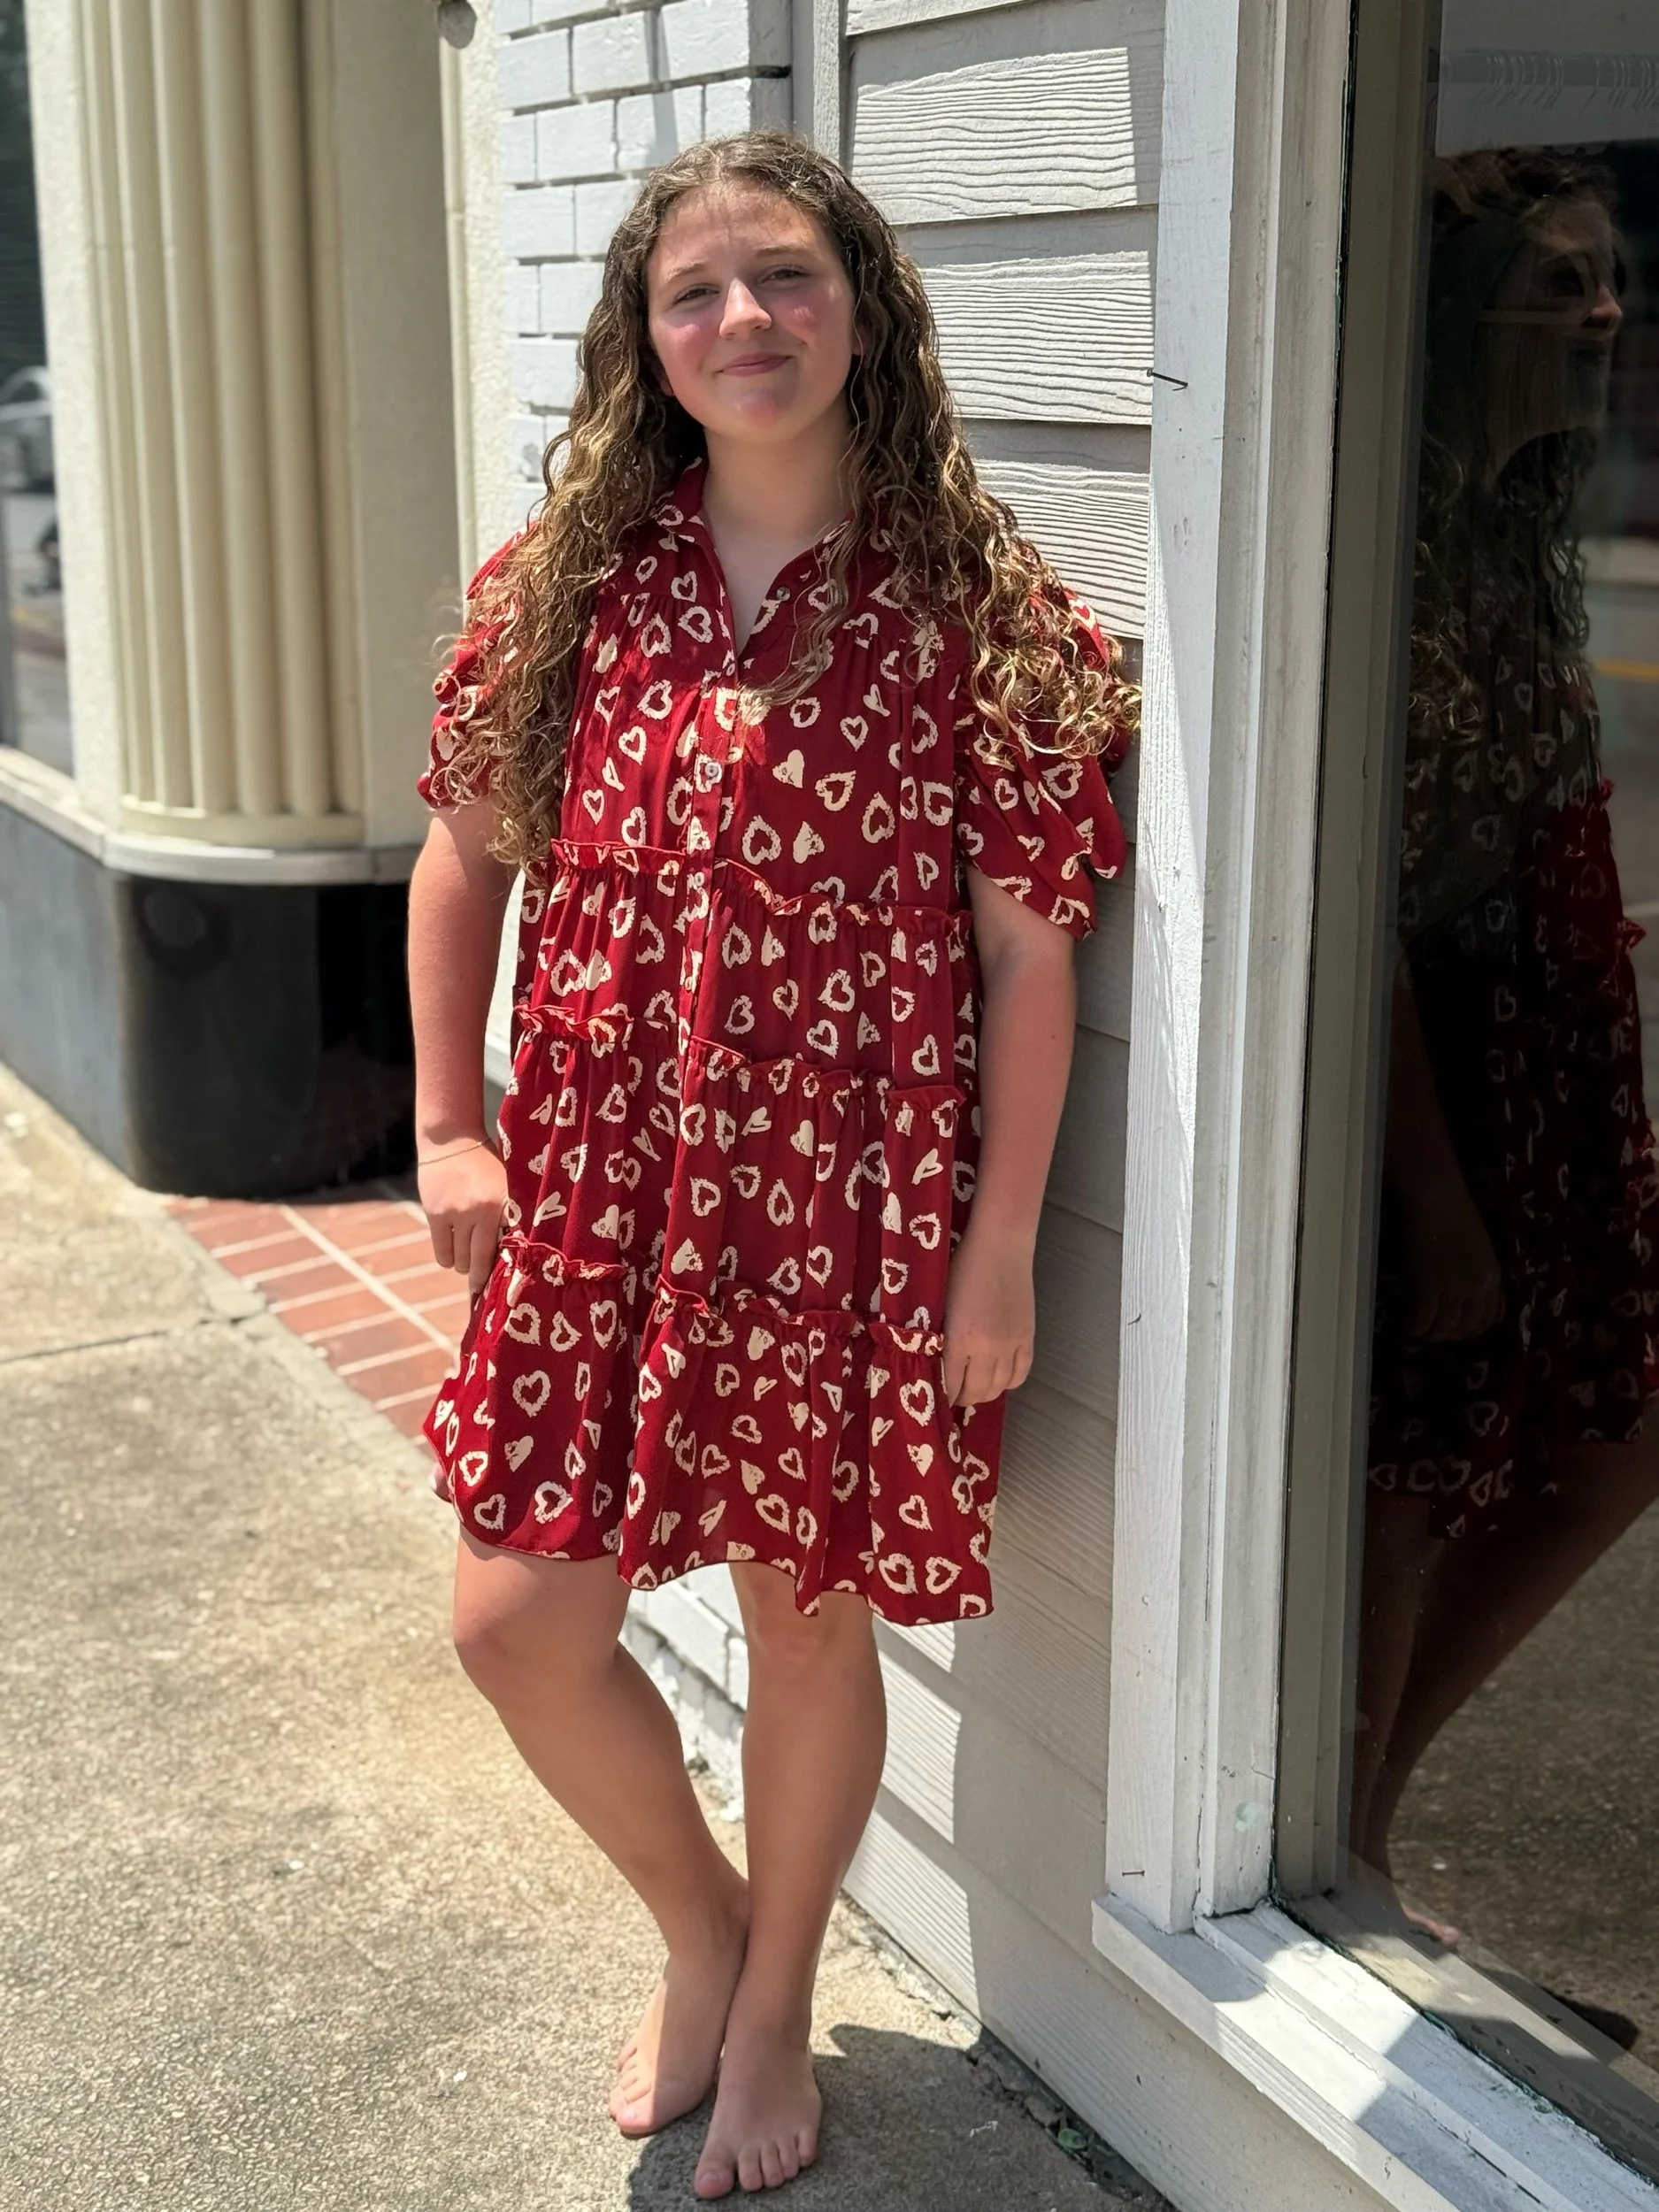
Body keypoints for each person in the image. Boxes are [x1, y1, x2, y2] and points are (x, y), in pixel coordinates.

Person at [405, 132, 1134, 2197]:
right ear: (645, 340)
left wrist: (999, 1246)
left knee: (804, 1621)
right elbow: (463, 855)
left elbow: (1029, 951)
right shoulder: (567, 584)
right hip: (602, 1190)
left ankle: (775, 1994)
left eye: (789, 274)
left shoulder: (974, 605)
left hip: (844, 1206)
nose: (746, 317)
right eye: (696, 290)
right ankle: (705, 1921)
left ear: (864, 310)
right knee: (514, 1616)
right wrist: (448, 1118)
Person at [1352, 147, 1659, 1941]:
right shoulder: (1383, 554)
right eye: (1560, 280)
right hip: (1436, 1067)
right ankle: (1346, 1851)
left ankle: (1364, 1815)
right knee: (1413, 1465)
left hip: (1548, 1043)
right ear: (1465, 312)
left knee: (1612, 1431)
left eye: (1609, 276)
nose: (1605, 311)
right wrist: (1436, 1192)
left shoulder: (1518, 523)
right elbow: (1363, 906)